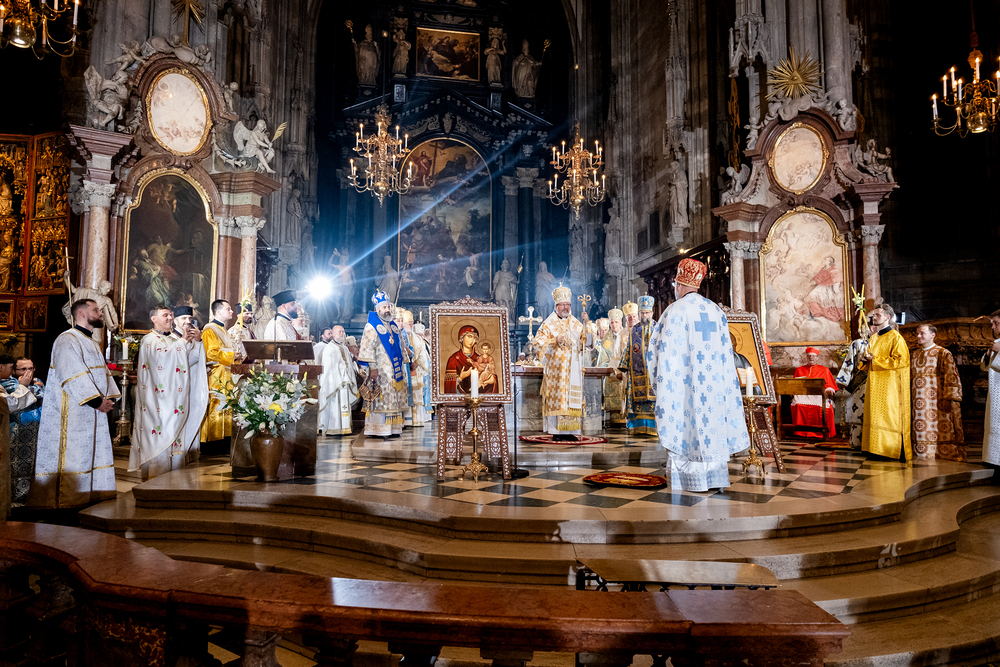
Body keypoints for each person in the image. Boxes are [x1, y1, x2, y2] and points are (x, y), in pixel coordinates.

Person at [648, 258, 750, 491]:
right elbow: (728, 356)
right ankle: (714, 478)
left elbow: (657, 353)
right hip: (714, 390)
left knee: (686, 427)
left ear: (678, 284)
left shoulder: (674, 312)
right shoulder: (716, 311)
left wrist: (660, 385)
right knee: (711, 427)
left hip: (684, 389)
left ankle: (688, 480)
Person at [27, 299, 120, 510]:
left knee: (90, 453)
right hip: (73, 412)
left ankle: (90, 495)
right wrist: (97, 401)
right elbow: (71, 374)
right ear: (81, 313)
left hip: (93, 411)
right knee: (73, 455)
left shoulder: (91, 342)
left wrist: (109, 399)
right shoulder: (67, 339)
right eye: (96, 310)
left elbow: (102, 375)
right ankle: (66, 502)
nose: (101, 313)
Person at [130, 306, 209, 477]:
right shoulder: (150, 340)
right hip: (157, 402)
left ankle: (173, 479)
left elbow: (188, 361)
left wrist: (197, 342)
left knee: (174, 437)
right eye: (165, 315)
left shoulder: (171, 341)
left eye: (170, 315)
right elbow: (162, 361)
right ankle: (155, 478)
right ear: (154, 319)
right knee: (159, 438)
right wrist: (183, 342)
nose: (169, 318)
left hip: (172, 400)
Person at [531, 283, 587, 438]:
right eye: (562, 304)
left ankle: (572, 431)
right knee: (558, 399)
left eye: (568, 304)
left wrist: (587, 325)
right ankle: (556, 432)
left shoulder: (577, 324)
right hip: (556, 371)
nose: (565, 307)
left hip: (573, 370)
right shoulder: (548, 324)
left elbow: (586, 345)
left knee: (571, 399)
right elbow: (537, 343)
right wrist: (553, 340)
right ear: (556, 306)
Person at [861, 303, 911, 460]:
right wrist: (865, 360)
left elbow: (901, 361)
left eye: (878, 315)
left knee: (888, 415)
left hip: (890, 385)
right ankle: (875, 448)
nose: (874, 318)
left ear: (887, 317)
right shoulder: (874, 338)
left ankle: (890, 450)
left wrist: (875, 359)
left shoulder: (896, 337)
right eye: (874, 315)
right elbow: (869, 358)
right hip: (874, 383)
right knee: (875, 415)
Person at [358, 290, 411, 438]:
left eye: (388, 307)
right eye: (384, 307)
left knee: (394, 397)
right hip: (380, 370)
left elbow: (400, 345)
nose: (387, 310)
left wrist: (404, 362)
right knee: (382, 398)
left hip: (395, 370)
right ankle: (379, 429)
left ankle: (394, 429)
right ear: (377, 309)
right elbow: (367, 347)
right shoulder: (371, 326)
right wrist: (373, 368)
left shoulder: (393, 326)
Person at [911, 324, 964, 461]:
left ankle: (941, 455)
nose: (918, 336)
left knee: (938, 428)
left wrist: (948, 398)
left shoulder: (943, 353)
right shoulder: (914, 354)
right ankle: (921, 454)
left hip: (937, 401)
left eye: (922, 333)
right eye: (917, 333)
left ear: (932, 335)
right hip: (917, 403)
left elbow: (951, 376)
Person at [1, 354, 41, 508]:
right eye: (23, 369)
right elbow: (12, 402)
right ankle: (14, 502)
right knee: (15, 467)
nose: (28, 372)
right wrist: (28, 386)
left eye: (31, 368)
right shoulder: (6, 384)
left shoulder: (37, 383)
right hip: (15, 433)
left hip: (34, 434)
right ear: (14, 371)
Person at [616, 296, 658, 436]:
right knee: (637, 401)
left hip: (653, 372)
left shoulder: (658, 328)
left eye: (647, 313)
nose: (644, 315)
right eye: (642, 313)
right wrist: (624, 365)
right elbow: (629, 347)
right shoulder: (634, 329)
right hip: (636, 372)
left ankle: (653, 428)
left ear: (652, 313)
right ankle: (637, 427)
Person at [201, 299, 239, 452]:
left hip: (226, 374)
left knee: (227, 405)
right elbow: (210, 353)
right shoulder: (210, 330)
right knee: (217, 404)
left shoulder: (223, 330)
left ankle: (225, 441)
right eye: (228, 309)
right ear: (218, 311)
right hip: (216, 375)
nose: (231, 311)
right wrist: (232, 355)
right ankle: (212, 444)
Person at [835, 320, 874, 450]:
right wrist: (843, 380)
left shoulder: (881, 343)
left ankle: (874, 443)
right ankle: (857, 442)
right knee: (859, 412)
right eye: (871, 326)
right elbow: (849, 362)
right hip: (860, 384)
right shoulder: (857, 343)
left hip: (877, 383)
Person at [318, 326, 359, 436]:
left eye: (343, 331)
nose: (341, 333)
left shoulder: (345, 348)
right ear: (332, 333)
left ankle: (345, 428)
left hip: (345, 383)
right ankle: (334, 428)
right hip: (334, 384)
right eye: (339, 331)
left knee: (344, 406)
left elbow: (349, 365)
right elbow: (328, 368)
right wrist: (336, 379)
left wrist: (349, 377)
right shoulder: (329, 348)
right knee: (335, 406)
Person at [790, 347, 837, 439]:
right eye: (809, 356)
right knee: (798, 405)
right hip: (803, 396)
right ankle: (801, 432)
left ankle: (821, 432)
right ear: (806, 357)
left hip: (819, 396)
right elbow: (794, 385)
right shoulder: (799, 370)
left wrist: (829, 390)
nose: (811, 357)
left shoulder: (825, 370)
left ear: (817, 358)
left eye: (813, 356)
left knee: (826, 408)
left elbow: (830, 385)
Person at [598, 308, 627, 428]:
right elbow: (603, 360)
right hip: (612, 375)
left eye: (616, 322)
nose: (614, 325)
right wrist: (612, 369)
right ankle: (613, 420)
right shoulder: (606, 340)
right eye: (612, 322)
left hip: (625, 373)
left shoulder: (627, 335)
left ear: (621, 322)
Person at [982, 310, 1000, 478]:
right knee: (994, 427)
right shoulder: (996, 342)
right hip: (995, 392)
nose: (993, 327)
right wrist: (989, 354)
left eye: (996, 323)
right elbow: (985, 366)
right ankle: (994, 463)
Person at [444, 325, 481, 394]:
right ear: (462, 338)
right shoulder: (453, 359)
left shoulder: (480, 359)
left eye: (474, 337)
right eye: (469, 336)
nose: (472, 340)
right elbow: (448, 387)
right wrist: (460, 378)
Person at [410, 323, 432, 426]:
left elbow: (425, 357)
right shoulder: (418, 341)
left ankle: (423, 415)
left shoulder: (422, 343)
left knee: (424, 392)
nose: (420, 336)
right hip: (417, 370)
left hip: (421, 370)